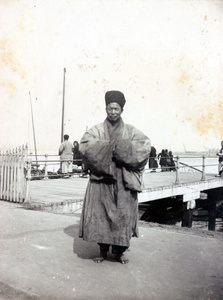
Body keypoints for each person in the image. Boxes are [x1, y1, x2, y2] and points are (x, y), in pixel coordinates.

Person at [79, 90, 151, 264]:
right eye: (110, 108)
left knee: (124, 216)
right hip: (101, 181)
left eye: (116, 109)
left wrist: (116, 149)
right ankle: (102, 251)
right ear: (105, 109)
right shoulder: (96, 130)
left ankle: (120, 252)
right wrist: (112, 148)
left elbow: (144, 146)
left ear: (122, 110)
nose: (113, 112)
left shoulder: (131, 130)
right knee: (101, 215)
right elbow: (85, 146)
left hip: (123, 182)